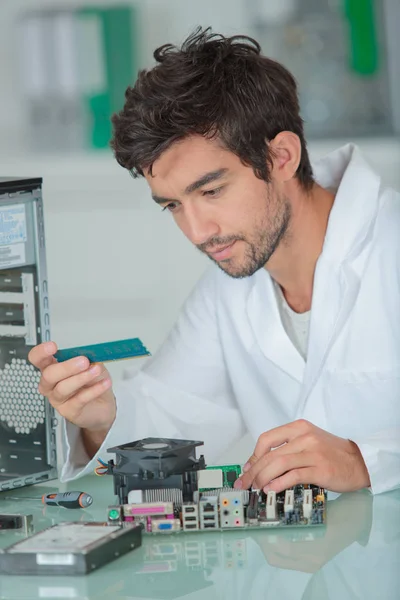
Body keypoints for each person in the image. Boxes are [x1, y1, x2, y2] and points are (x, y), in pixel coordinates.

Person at [28, 28, 400, 495]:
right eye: (173, 205)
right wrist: (98, 417)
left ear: (281, 156)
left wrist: (366, 461)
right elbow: (168, 419)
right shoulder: (227, 289)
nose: (197, 232)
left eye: (211, 191)